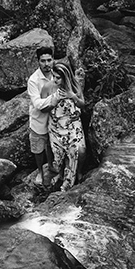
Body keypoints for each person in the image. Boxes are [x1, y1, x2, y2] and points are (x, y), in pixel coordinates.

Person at [48, 62, 86, 192]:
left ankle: (70, 180)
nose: (55, 80)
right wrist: (53, 101)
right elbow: (44, 107)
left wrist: (73, 96)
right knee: (58, 154)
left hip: (73, 123)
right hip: (57, 125)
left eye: (58, 77)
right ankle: (60, 174)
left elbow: (82, 104)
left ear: (65, 77)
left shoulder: (74, 85)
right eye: (54, 76)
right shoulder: (51, 87)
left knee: (78, 150)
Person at [26, 46, 59, 188]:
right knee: (38, 149)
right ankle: (40, 171)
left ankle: (51, 166)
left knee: (51, 146)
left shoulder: (57, 74)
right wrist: (55, 98)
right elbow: (38, 104)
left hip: (55, 119)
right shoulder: (33, 80)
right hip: (39, 120)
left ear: (53, 60)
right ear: (38, 62)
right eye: (43, 61)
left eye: (49, 60)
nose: (46, 64)